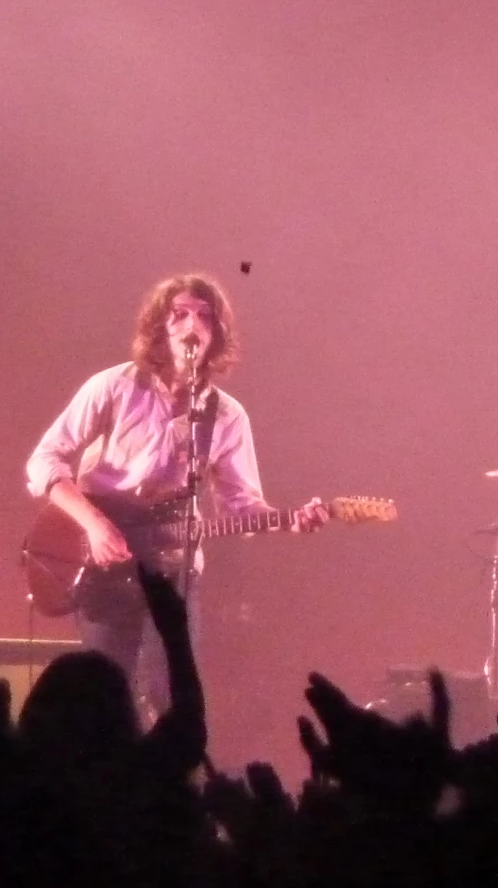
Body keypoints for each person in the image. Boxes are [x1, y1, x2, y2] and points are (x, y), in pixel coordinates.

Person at [26, 274, 326, 706]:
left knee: (173, 696)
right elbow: (45, 460)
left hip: (174, 569)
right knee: (105, 695)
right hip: (104, 563)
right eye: (180, 314)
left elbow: (242, 505)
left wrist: (289, 521)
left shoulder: (226, 416)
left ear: (216, 334)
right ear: (159, 327)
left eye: (205, 317)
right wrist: (93, 525)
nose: (192, 325)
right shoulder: (113, 387)